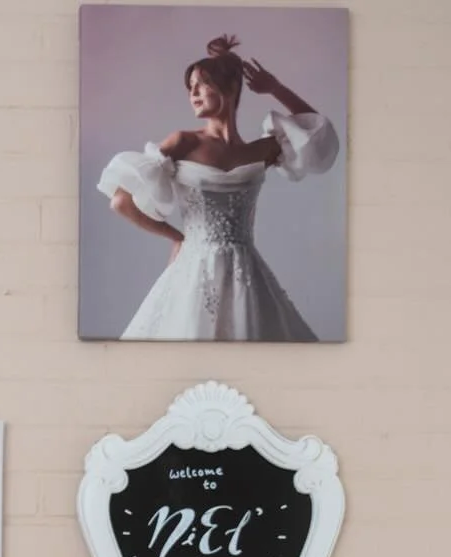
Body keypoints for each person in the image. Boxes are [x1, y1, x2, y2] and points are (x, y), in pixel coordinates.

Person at [98, 34, 339, 341]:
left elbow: (317, 137)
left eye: (201, 84)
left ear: (231, 88)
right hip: (192, 274)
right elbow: (120, 201)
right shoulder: (183, 142)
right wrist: (177, 237)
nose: (193, 93)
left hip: (246, 278)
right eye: (190, 87)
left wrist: (276, 88)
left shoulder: (262, 150)